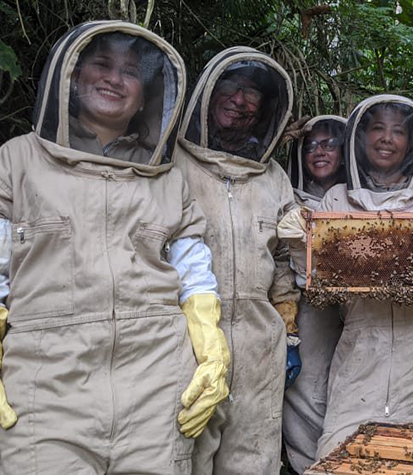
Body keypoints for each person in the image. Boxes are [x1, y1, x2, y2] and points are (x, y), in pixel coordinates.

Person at [0, 22, 228, 474]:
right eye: (102, 64)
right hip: (45, 388)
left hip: (156, 383)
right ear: (73, 78)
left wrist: (212, 351)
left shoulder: (168, 178)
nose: (115, 79)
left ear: (146, 94)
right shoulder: (17, 161)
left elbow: (194, 275)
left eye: (131, 72)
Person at [279, 95, 413, 460]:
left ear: (410, 144)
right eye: (378, 128)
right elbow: (314, 283)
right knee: (340, 454)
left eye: (398, 131)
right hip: (362, 344)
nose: (387, 138)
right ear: (359, 138)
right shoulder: (336, 200)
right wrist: (298, 245)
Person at [173, 46, 301, 475]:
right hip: (182, 338)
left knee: (253, 458)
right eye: (233, 86)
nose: (241, 100)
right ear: (208, 91)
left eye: (253, 95)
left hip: (259, 345)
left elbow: (284, 261)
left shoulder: (274, 177)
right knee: (181, 454)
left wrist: (289, 329)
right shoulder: (170, 162)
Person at [281, 116, 346, 474]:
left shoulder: (363, 199)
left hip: (362, 312)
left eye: (329, 144)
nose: (319, 152)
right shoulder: (286, 197)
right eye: (310, 146)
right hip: (305, 310)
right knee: (306, 393)